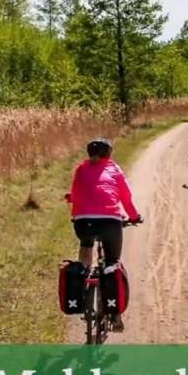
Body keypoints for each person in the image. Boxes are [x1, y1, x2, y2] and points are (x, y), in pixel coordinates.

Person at [66, 138, 142, 331]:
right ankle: (115, 316)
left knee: (86, 246)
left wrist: (75, 208)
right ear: (108, 153)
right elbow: (125, 197)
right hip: (110, 221)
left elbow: (75, 194)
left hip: (83, 221)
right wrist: (134, 217)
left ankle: (83, 282)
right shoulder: (114, 169)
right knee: (112, 263)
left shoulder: (81, 169)